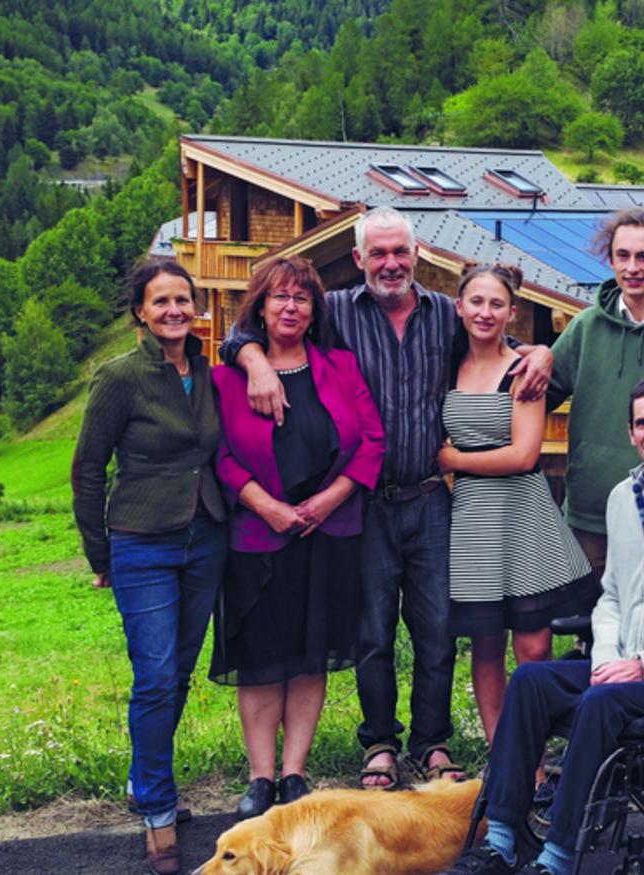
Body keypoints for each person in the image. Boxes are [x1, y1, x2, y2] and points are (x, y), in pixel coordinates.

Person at [220, 206, 552, 790]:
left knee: (436, 629)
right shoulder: (336, 313)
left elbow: (494, 333)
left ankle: (433, 742)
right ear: (359, 259)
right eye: (378, 253)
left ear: (417, 253)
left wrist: (541, 351)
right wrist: (252, 361)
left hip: (430, 496)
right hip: (364, 501)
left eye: (400, 251)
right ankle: (379, 743)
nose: (391, 263)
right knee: (372, 632)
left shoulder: (445, 314)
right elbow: (250, 329)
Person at [440, 377, 644, 875]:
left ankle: (559, 855)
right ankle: (500, 840)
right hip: (619, 668)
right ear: (630, 432)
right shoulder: (622, 498)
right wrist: (607, 658)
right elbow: (612, 596)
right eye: (642, 423)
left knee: (600, 702)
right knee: (530, 680)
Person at [211, 257, 385, 816]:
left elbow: (372, 441)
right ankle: (261, 777)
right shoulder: (228, 377)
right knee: (262, 657)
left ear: (314, 311)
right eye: (279, 297)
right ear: (260, 307)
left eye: (301, 298)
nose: (290, 307)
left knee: (311, 655)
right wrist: (266, 507)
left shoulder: (341, 366)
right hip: (258, 537)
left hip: (329, 531)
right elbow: (219, 455)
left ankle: (294, 774)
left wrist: (329, 499)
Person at [72, 260, 228, 875]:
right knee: (156, 677)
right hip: (141, 542)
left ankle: (145, 780)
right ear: (140, 310)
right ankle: (159, 811)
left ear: (196, 306)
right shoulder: (119, 377)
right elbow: (88, 470)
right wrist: (101, 554)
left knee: (179, 673)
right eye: (160, 301)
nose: (173, 310)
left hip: (205, 537)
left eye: (182, 299)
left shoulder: (209, 374)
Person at [437, 263, 599, 744]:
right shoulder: (446, 364)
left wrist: (453, 459)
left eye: (497, 304)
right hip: (473, 520)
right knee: (486, 647)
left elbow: (524, 454)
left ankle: (536, 758)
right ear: (459, 306)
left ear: (511, 312)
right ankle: (502, 756)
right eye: (476, 302)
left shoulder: (524, 370)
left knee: (533, 647)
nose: (485, 313)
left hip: (523, 516)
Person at [546, 208, 644, 587]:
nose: (632, 267)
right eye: (622, 256)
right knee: (589, 617)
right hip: (591, 511)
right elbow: (539, 395)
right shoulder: (584, 327)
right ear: (610, 260)